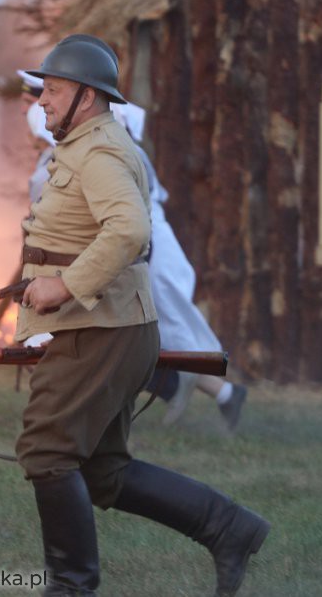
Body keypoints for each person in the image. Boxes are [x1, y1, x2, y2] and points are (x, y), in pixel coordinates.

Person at [14, 34, 268, 596]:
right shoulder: (84, 144)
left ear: (86, 94)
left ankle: (72, 587)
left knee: (47, 451)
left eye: (52, 90)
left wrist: (64, 284)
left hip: (99, 331)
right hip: (104, 328)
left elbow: (129, 229)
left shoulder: (101, 151)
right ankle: (230, 528)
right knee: (103, 472)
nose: (42, 101)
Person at [25, 95, 249, 430]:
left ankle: (203, 392)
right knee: (148, 336)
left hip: (142, 251)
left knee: (154, 335)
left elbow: (125, 226)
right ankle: (218, 394)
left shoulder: (110, 155)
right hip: (134, 249)